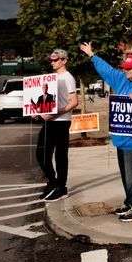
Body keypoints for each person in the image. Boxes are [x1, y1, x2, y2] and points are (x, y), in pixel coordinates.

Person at [79, 42, 132, 222]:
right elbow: (108, 71)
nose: (124, 71)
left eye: (128, 69)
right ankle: (130, 201)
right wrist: (92, 55)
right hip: (121, 138)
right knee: (126, 175)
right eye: (124, 69)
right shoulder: (125, 79)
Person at [37, 49, 78, 202]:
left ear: (64, 60)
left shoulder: (68, 78)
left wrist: (56, 113)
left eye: (55, 60)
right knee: (41, 154)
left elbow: (74, 102)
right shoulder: (52, 78)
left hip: (61, 121)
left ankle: (61, 187)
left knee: (60, 155)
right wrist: (38, 110)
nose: (52, 62)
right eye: (51, 60)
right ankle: (52, 182)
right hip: (49, 121)